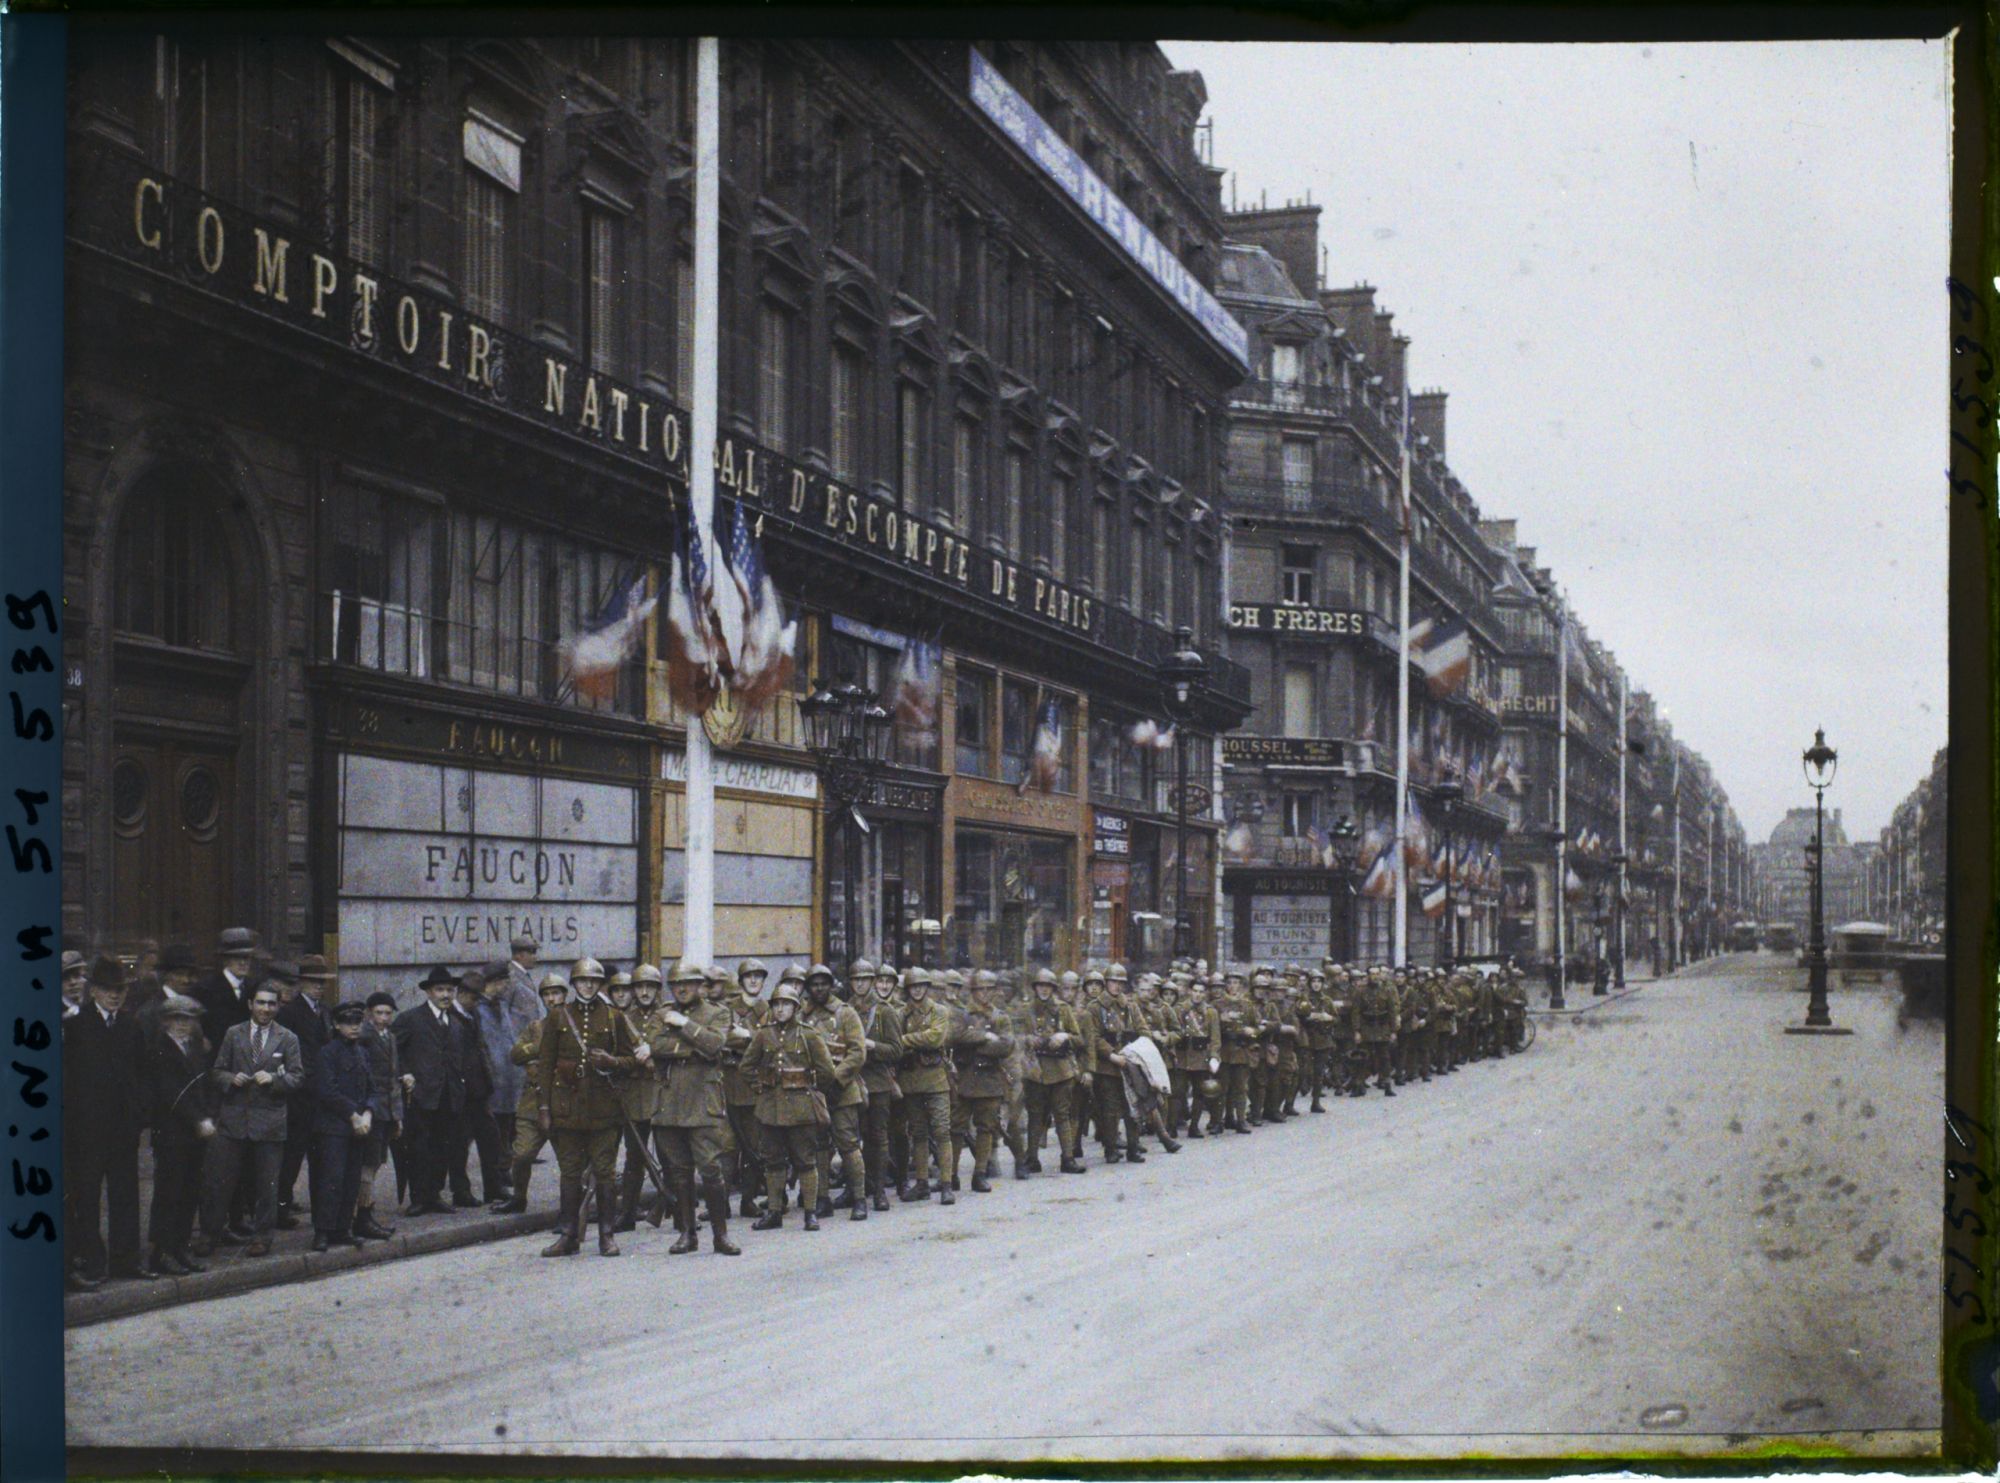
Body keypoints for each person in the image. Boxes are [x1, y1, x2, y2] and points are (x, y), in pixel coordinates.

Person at [534, 956, 641, 1257]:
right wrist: (544, 1108)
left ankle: (606, 1235)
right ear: (574, 984)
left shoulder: (612, 1016)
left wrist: (611, 1062)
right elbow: (545, 1065)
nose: (588, 985)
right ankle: (568, 1235)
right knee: (569, 1173)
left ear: (599, 984)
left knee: (605, 1174)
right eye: (582, 980)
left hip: (604, 1110)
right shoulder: (558, 1017)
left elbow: (632, 1062)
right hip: (567, 1109)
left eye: (593, 981)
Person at [200, 981, 303, 1257]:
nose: (266, 1009)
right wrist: (230, 1079)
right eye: (261, 1002)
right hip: (233, 1120)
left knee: (266, 1185)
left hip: (269, 1123)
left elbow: (297, 1076)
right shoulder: (234, 1034)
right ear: (250, 1005)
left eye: (271, 1003)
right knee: (220, 1182)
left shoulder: (288, 1038)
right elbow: (217, 1070)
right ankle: (209, 1234)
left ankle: (262, 1237)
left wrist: (275, 1079)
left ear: (278, 1007)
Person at [64, 955, 149, 1288]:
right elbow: (70, 1081)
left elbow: (142, 1074)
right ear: (94, 991)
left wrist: (139, 1114)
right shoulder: (77, 1026)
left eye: (120, 990)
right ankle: (93, 1263)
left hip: (123, 1131)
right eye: (108, 990)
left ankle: (126, 1261)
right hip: (87, 1132)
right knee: (87, 1198)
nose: (115, 996)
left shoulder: (131, 1026)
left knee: (125, 1195)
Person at [648, 961, 739, 1255]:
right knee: (679, 1172)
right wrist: (691, 1048)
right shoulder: (662, 1012)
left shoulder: (718, 1012)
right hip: (670, 1104)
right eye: (676, 984)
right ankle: (688, 1233)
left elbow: (714, 1044)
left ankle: (720, 1235)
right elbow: (655, 1046)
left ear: (701, 985)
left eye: (688, 983)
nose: (682, 989)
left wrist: (682, 1024)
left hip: (702, 1103)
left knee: (711, 1170)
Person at [739, 979, 838, 1231]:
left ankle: (810, 1212)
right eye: (777, 1004)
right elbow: (746, 1066)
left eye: (786, 1004)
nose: (781, 1009)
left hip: (801, 1109)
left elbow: (827, 1071)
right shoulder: (763, 1035)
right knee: (773, 1161)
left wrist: (810, 1089)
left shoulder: (809, 1035)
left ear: (795, 1008)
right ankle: (774, 1212)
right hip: (770, 1109)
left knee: (805, 1161)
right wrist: (760, 1087)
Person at [141, 992, 215, 1276]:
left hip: (196, 1133)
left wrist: (208, 1114)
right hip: (172, 1132)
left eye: (188, 1020)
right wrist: (198, 1119)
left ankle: (180, 1248)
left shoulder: (195, 1048)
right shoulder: (159, 1050)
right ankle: (161, 1251)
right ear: (165, 1022)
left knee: (189, 1191)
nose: (183, 1025)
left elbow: (203, 1084)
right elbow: (170, 1092)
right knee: (168, 1192)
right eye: (177, 1019)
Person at [393, 965, 472, 1216]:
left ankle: (435, 1194)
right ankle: (419, 1197)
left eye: (450, 990)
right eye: (440, 990)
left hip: (449, 1096)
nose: (446, 995)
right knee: (418, 1148)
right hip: (421, 1095)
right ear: (429, 992)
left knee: (443, 1147)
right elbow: (392, 1051)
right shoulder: (411, 1018)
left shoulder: (458, 1023)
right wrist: (405, 1073)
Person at [493, 973, 567, 1214]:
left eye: (556, 993)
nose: (552, 999)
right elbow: (515, 1054)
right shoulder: (536, 1027)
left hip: (563, 1104)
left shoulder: (575, 1027)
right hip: (532, 1104)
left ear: (565, 995)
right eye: (547, 995)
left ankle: (571, 1207)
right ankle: (519, 1197)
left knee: (569, 1161)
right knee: (522, 1155)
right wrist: (539, 1048)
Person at [800, 963, 868, 1220]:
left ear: (831, 985)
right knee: (818, 1146)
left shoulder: (845, 1013)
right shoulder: (803, 1016)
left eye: (823, 983)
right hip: (815, 1092)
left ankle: (859, 1198)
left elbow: (857, 1052)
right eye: (814, 984)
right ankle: (822, 1198)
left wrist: (836, 1080)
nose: (819, 989)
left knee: (848, 1144)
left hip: (842, 1090)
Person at [309, 1002, 377, 1252]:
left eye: (358, 1022)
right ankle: (323, 1231)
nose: (354, 1027)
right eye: (348, 1022)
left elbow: (371, 1088)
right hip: (333, 1128)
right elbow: (327, 1091)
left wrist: (368, 1113)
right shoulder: (327, 1053)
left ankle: (342, 1228)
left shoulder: (362, 1052)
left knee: (351, 1179)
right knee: (330, 1180)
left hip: (358, 1127)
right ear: (336, 1025)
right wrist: (353, 1115)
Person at [949, 971, 1019, 1191]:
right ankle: (950, 1174)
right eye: (980, 989)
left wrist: (974, 1041)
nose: (985, 994)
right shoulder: (962, 1014)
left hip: (989, 1078)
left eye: (989, 989)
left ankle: (979, 1173)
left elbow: (1006, 1046)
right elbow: (955, 1036)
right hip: (965, 1077)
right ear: (973, 991)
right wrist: (985, 1037)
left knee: (986, 1128)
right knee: (956, 1128)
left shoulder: (1000, 1016)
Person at [612, 965, 668, 1233]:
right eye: (639, 987)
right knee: (634, 1158)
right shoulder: (623, 1018)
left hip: (662, 1094)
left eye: (650, 987)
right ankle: (628, 1213)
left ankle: (678, 1210)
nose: (644, 992)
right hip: (634, 1096)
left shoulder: (668, 1016)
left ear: (658, 989)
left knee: (669, 1156)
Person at [274, 956, 328, 1231]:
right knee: (291, 1156)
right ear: (302, 983)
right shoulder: (290, 1013)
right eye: (315, 982)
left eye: (323, 983)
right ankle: (280, 1210)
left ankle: (318, 1209)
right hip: (298, 1096)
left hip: (319, 1095)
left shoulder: (324, 1011)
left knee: (318, 1155)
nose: (320, 987)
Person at [893, 967, 954, 1204]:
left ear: (927, 987)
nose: (917, 990)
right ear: (908, 989)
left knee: (942, 1130)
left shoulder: (939, 1011)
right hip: (910, 1081)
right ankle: (921, 1183)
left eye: (921, 986)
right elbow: (895, 1043)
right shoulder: (901, 1014)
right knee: (917, 1133)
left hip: (936, 1080)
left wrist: (906, 1040)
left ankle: (947, 1183)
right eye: (913, 986)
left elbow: (936, 1037)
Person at [1016, 968, 1085, 1174]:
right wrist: (1027, 1039)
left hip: (1060, 1070)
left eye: (1047, 986)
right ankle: (1032, 1158)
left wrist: (1064, 1036)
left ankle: (1068, 1158)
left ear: (1053, 988)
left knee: (1062, 1115)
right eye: (1040, 986)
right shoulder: (1026, 1010)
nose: (1044, 990)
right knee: (1035, 1115)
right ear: (1035, 988)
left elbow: (1079, 1039)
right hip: (1035, 1069)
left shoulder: (1063, 1010)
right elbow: (1014, 1037)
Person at [452, 972, 508, 1207]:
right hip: (462, 1092)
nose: (477, 1003)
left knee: (490, 1139)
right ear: (463, 994)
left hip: (478, 1091)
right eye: (474, 998)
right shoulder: (452, 1017)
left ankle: (493, 1189)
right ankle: (461, 1192)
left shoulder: (470, 1013)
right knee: (459, 1144)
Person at [353, 992, 405, 1239]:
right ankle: (362, 1216)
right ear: (369, 1014)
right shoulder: (364, 1037)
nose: (383, 1018)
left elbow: (393, 1080)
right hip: (371, 1111)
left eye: (387, 1013)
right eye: (378, 1013)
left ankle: (364, 1213)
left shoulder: (391, 1037)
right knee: (368, 1163)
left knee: (375, 1163)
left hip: (387, 1111)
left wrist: (397, 1115)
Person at [853, 962, 903, 1211]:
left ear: (872, 981)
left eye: (865, 979)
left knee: (879, 1136)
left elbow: (896, 1050)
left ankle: (880, 1191)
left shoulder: (884, 1011)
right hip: (853, 1081)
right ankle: (861, 1188)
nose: (860, 984)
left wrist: (873, 1046)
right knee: (855, 1138)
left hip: (878, 1082)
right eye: (856, 980)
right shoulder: (846, 1010)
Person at [723, 960, 768, 1217]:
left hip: (755, 1086)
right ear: (740, 982)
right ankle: (723, 1202)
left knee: (753, 1146)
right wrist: (753, 1039)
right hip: (729, 1082)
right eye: (749, 977)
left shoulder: (769, 1010)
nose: (753, 981)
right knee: (727, 1147)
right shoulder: (728, 1009)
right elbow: (723, 1038)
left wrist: (748, 1035)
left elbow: (770, 1043)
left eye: (758, 977)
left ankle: (748, 1200)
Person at [193, 927, 259, 1049]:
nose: (243, 963)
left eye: (246, 957)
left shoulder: (255, 987)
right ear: (225, 960)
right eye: (237, 957)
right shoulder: (206, 988)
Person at [59, 949, 89, 1021]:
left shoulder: (93, 1005)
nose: (73, 982)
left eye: (77, 975)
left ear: (84, 979)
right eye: (65, 977)